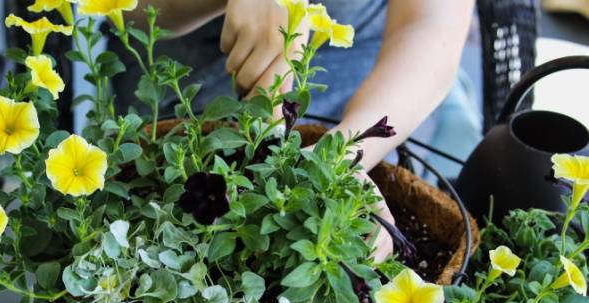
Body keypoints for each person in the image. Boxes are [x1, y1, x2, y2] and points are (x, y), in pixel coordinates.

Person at [108, 0, 476, 260]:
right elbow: (126, 9)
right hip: (190, 93)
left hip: (378, 92)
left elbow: (430, 26)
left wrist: (343, 156)